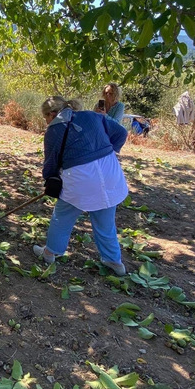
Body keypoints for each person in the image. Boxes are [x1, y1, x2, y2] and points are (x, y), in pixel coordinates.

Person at [34, 96, 130, 276]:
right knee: (105, 221)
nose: (46, 122)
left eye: (45, 117)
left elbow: (51, 162)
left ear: (53, 114)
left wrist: (49, 180)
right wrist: (107, 150)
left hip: (80, 177)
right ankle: (114, 262)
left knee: (62, 217)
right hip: (110, 171)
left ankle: (50, 253)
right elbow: (121, 133)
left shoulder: (54, 129)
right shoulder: (93, 116)